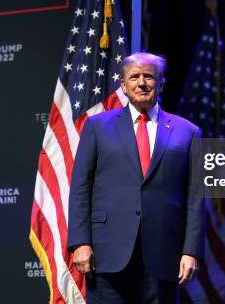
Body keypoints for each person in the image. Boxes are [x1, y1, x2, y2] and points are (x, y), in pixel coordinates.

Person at [68, 52, 204, 303]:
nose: (142, 82)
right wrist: (80, 243)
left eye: (149, 76)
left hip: (164, 255)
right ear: (123, 84)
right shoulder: (97, 126)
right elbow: (80, 187)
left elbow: (195, 197)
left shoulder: (188, 132)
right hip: (106, 253)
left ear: (161, 83)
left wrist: (191, 251)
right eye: (134, 76)